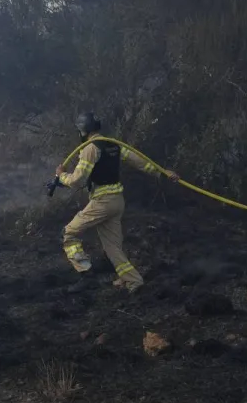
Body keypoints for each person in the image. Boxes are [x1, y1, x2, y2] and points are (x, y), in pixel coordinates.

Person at [49, 112, 178, 291]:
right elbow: (139, 161)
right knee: (112, 247)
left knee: (67, 234)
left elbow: (77, 180)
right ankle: (133, 281)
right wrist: (162, 173)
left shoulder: (90, 148)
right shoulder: (113, 144)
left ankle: (86, 274)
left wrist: (61, 175)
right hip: (117, 202)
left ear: (83, 130)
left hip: (102, 203)